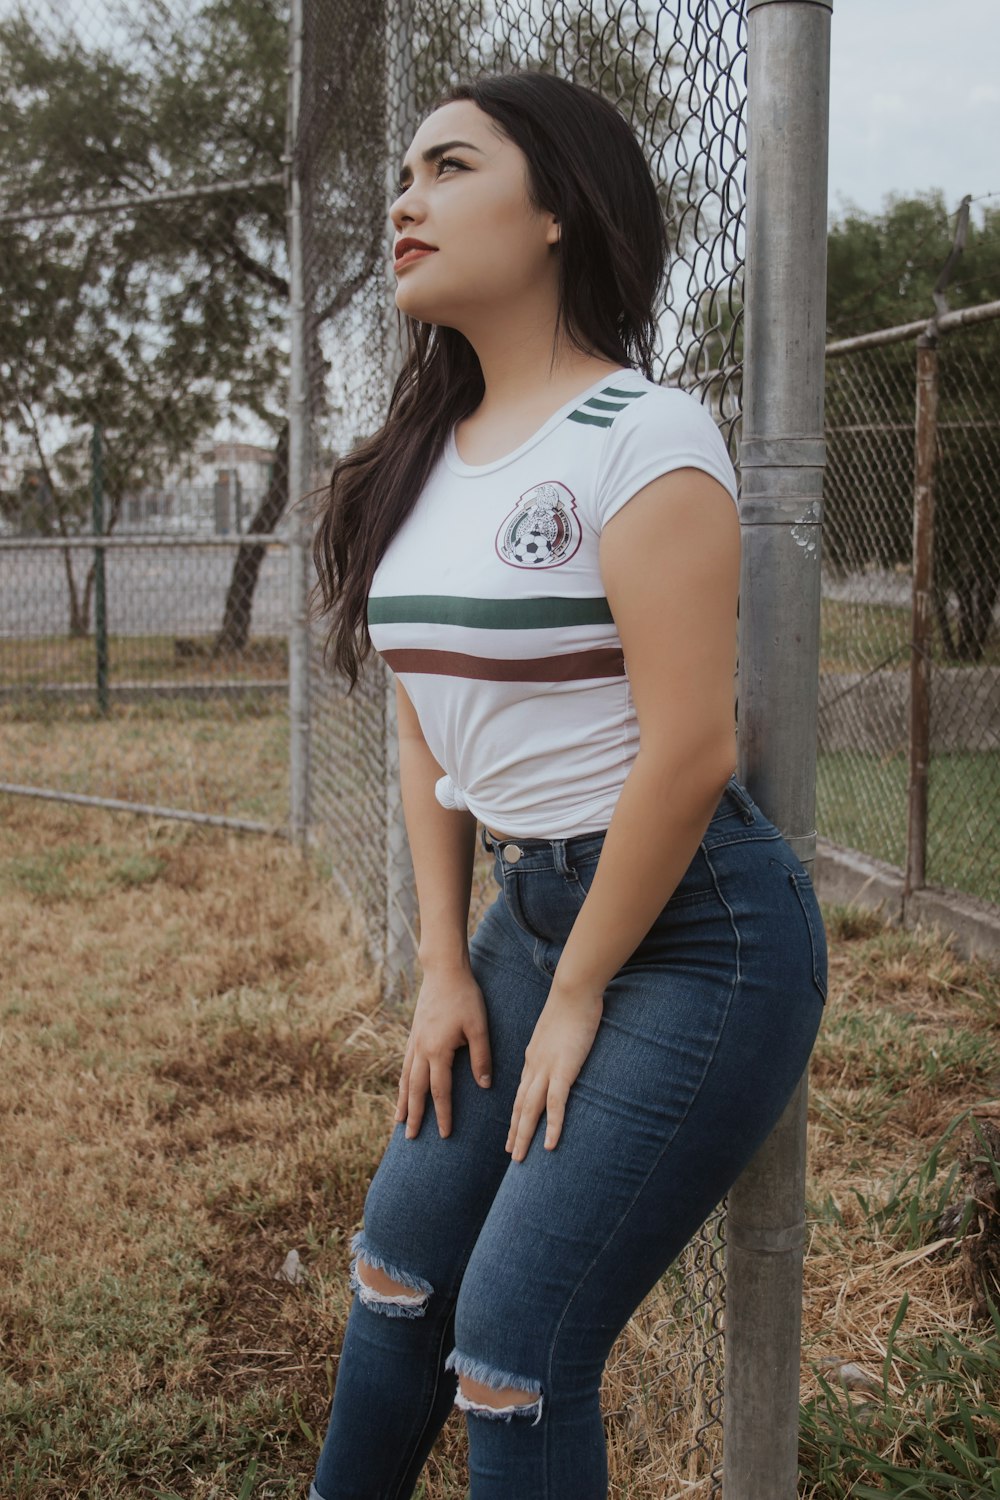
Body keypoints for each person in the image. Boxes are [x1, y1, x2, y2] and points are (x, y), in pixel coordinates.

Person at [309, 68, 827, 1500]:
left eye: (449, 168)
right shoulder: (422, 461)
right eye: (402, 173)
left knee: (513, 1344)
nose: (404, 200)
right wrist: (443, 964)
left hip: (693, 935)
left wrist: (584, 987)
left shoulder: (643, 439)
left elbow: (687, 752)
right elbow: (427, 726)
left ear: (553, 213)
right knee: (398, 1279)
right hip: (523, 918)